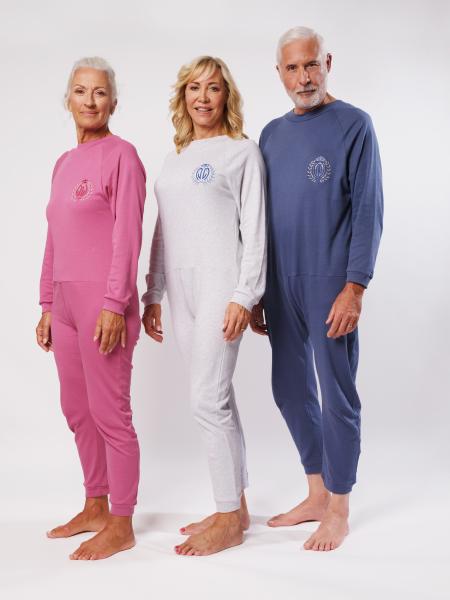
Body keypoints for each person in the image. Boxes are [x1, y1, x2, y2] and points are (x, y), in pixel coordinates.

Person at [251, 26, 383, 551]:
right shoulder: (270, 135)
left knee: (337, 392)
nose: (303, 77)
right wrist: (258, 290)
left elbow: (368, 210)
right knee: (289, 388)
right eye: (292, 68)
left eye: (311, 65)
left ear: (327, 62)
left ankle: (339, 507)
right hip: (280, 283)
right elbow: (261, 218)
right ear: (279, 73)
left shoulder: (354, 124)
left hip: (331, 280)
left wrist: (355, 287)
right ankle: (316, 492)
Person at [142, 56, 266, 556]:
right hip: (180, 292)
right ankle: (236, 506)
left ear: (226, 96)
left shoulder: (242, 152)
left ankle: (227, 517)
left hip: (220, 284)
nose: (203, 97)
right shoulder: (175, 158)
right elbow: (163, 228)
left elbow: (255, 229)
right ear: (183, 96)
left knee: (206, 400)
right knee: (219, 397)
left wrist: (245, 294)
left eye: (213, 88)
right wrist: (153, 292)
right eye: (194, 88)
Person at [36, 57, 146, 560]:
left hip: (105, 304)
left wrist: (114, 303)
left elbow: (128, 236)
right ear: (68, 99)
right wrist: (46, 303)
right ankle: (95, 504)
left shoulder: (122, 156)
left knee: (110, 414)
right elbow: (55, 236)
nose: (90, 100)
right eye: (80, 91)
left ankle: (121, 522)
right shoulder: (63, 164)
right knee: (77, 411)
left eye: (100, 92)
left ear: (113, 103)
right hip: (65, 305)